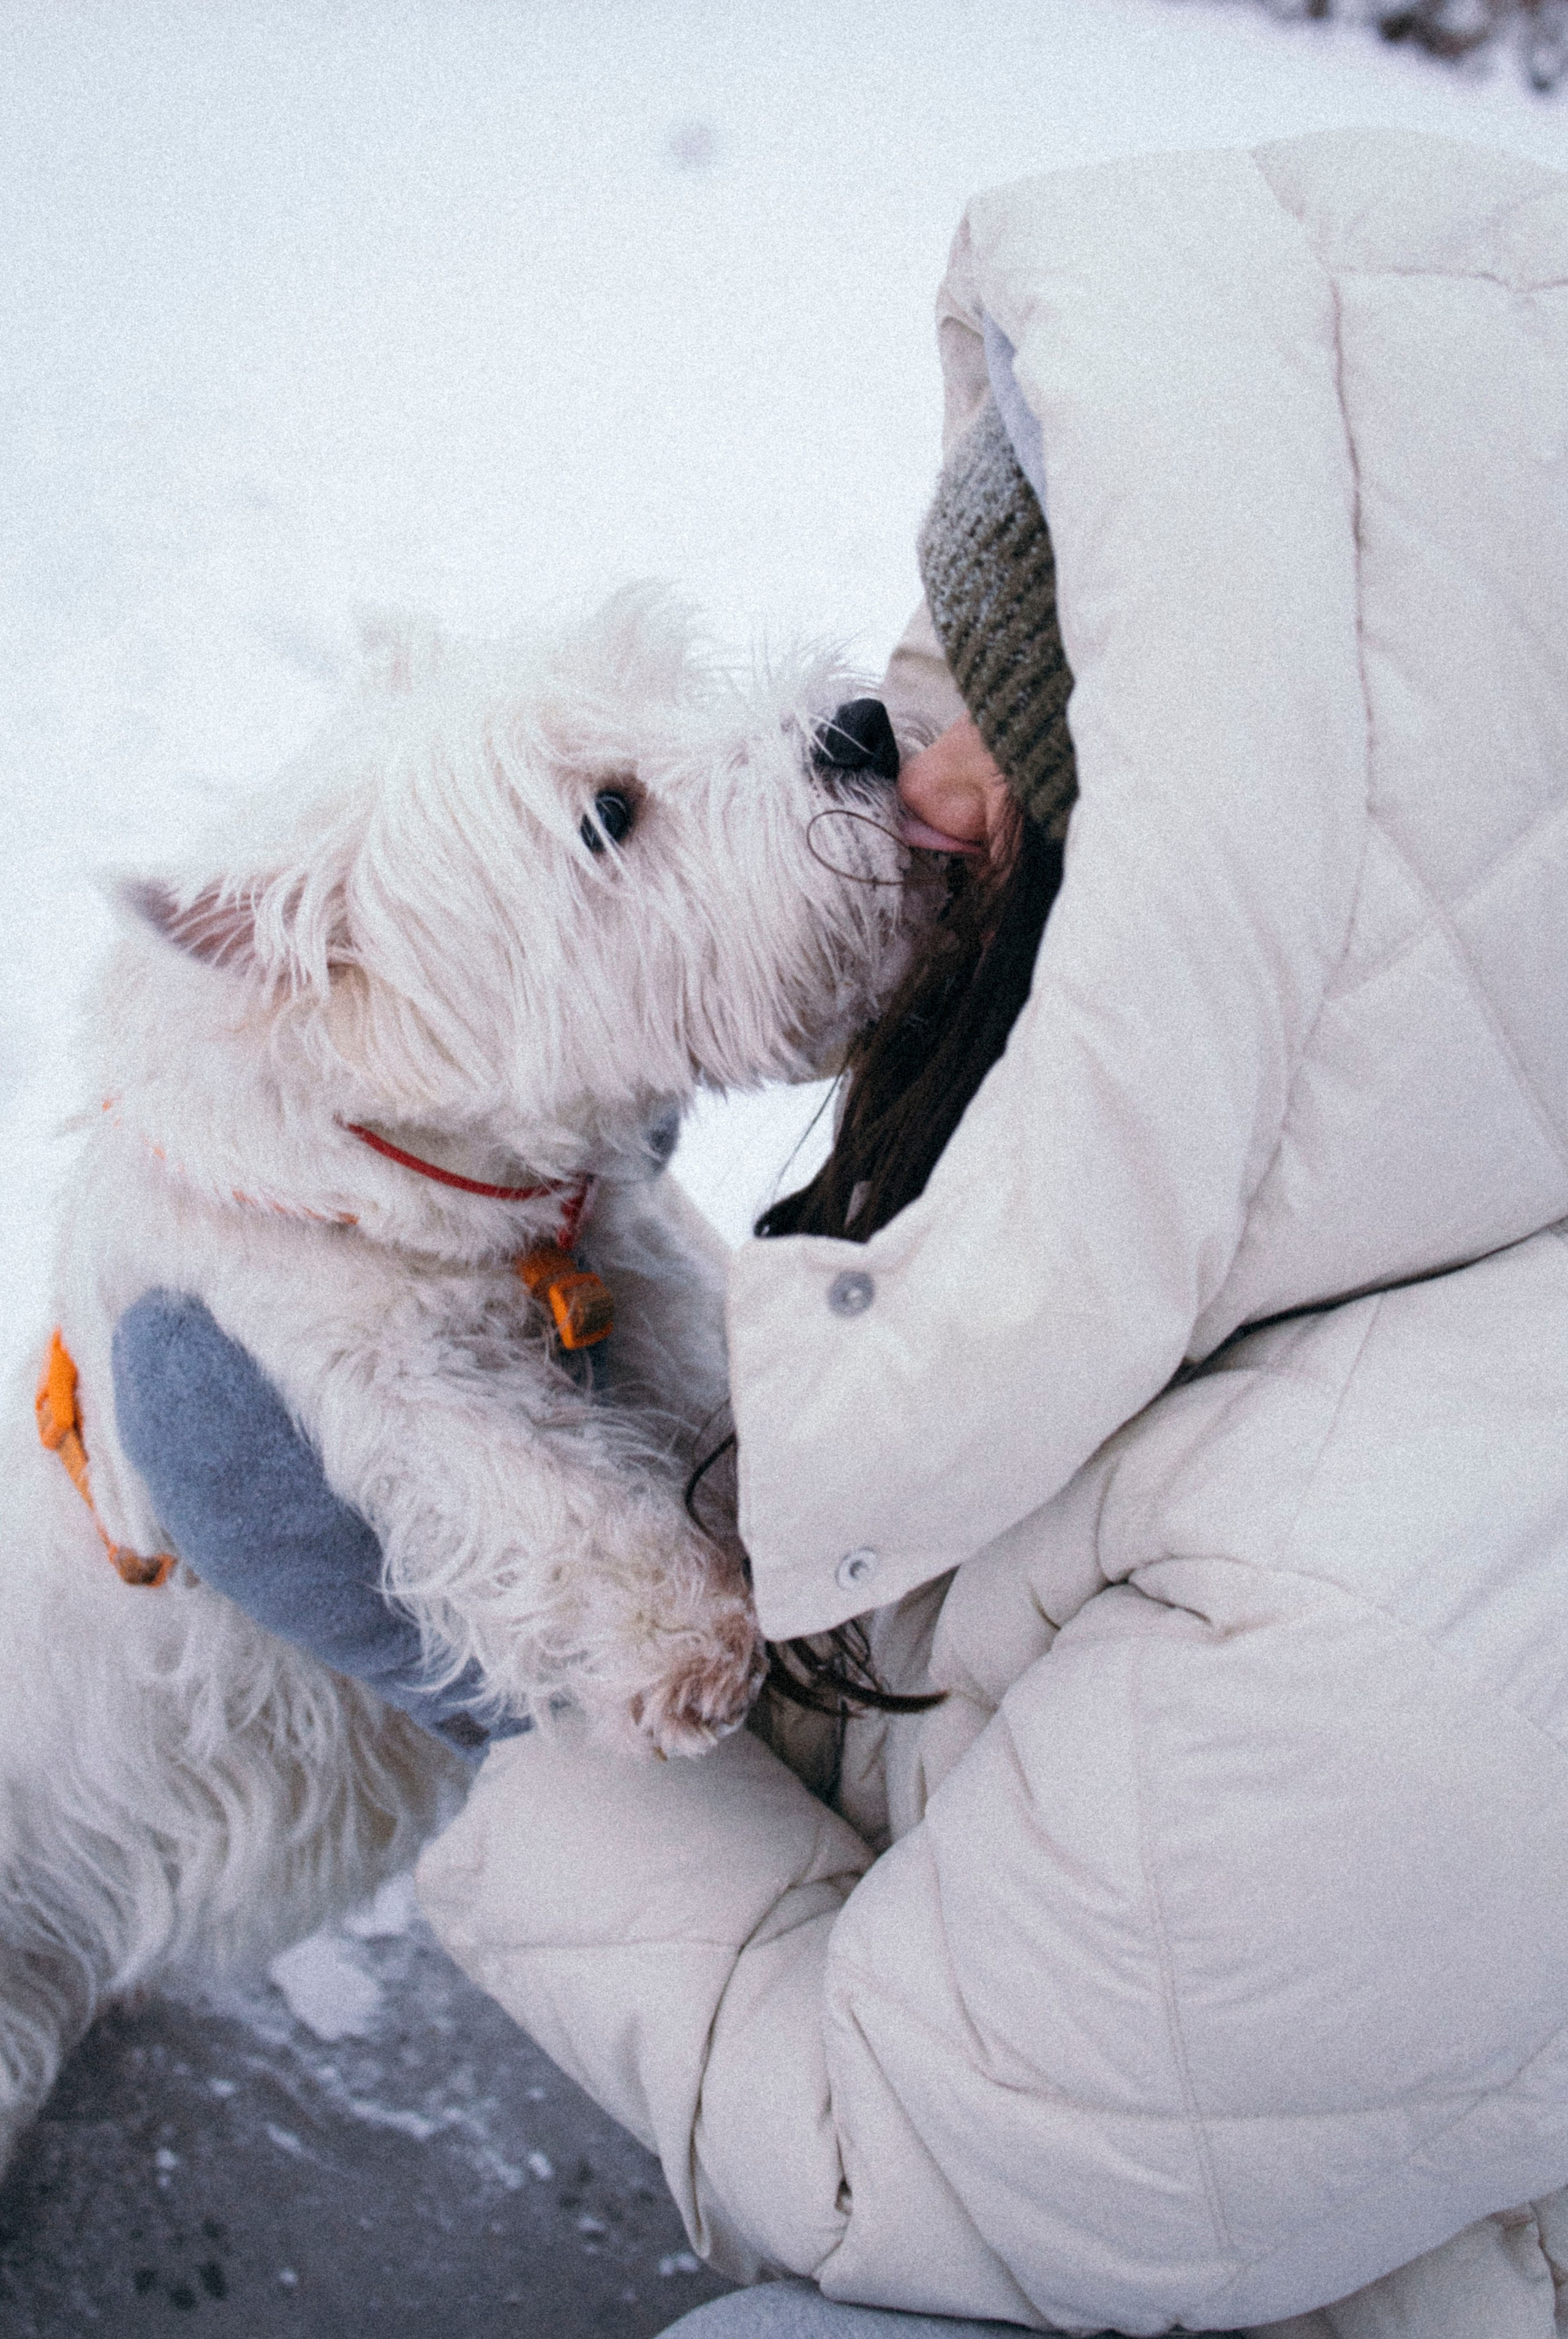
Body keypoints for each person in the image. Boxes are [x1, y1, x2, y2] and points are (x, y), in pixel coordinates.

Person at [113, 127, 1568, 2338]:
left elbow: (896, 2147)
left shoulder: (1386, 1616)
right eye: (935, 639)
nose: (889, 752)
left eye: (998, 710)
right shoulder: (1317, 1168)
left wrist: (493, 1696)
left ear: (1215, 873)